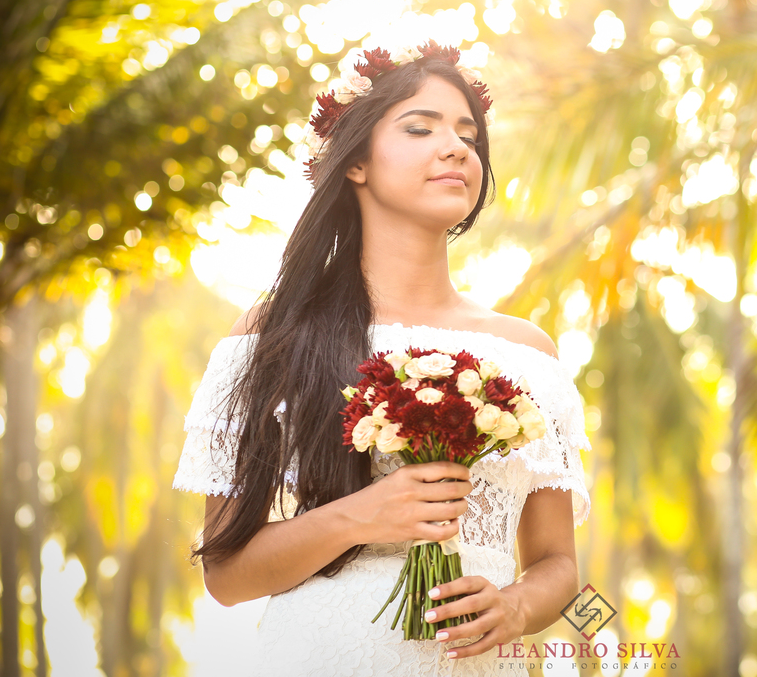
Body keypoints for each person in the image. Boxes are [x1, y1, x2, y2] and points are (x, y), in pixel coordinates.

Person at [172, 41, 591, 675]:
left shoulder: (529, 353)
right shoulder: (275, 338)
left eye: (468, 135)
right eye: (420, 128)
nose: (455, 148)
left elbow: (557, 562)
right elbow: (227, 576)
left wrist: (516, 608)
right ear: (357, 162)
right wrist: (360, 516)